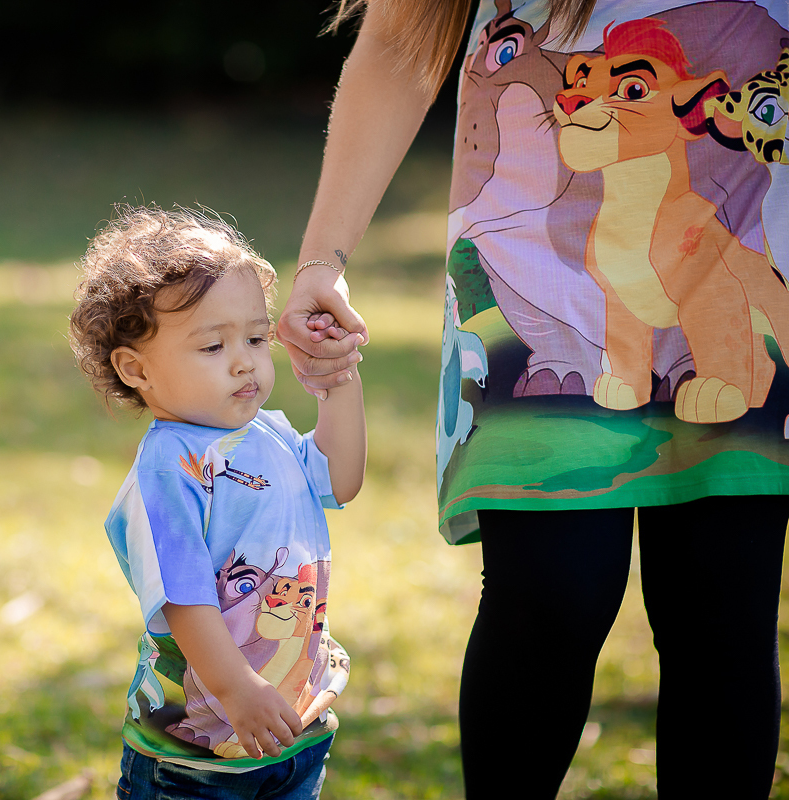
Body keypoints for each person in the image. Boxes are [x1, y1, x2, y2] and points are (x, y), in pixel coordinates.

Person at [277, 1, 789, 797]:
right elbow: (399, 44)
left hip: (746, 224)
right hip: (529, 253)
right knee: (552, 597)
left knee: (721, 609)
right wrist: (323, 259)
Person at [69, 205, 367, 799]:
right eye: (212, 346)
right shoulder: (170, 467)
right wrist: (237, 690)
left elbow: (341, 478)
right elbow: (184, 597)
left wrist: (338, 382)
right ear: (136, 369)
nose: (244, 360)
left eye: (256, 338)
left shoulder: (270, 433)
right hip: (196, 756)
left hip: (293, 730)